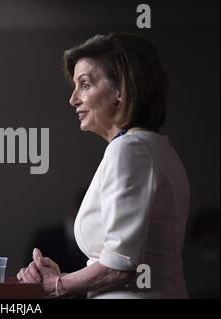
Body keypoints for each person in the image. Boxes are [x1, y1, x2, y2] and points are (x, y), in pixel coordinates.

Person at [17, 33, 190, 299]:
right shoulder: (155, 146)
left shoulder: (130, 150)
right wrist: (65, 278)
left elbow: (120, 267)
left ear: (120, 91)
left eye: (85, 84)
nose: (73, 99)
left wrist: (56, 285)